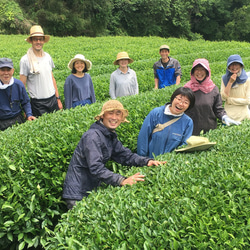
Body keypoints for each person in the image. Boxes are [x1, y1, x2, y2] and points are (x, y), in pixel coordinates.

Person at [62, 100, 166, 210]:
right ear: (103, 116)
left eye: (118, 114)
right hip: (77, 193)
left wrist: (147, 161)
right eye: (110, 113)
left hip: (89, 188)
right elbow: (96, 167)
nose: (114, 117)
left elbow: (125, 156)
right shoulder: (93, 136)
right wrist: (121, 180)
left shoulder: (108, 135)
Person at [184, 58, 240, 136]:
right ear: (193, 72)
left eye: (202, 69)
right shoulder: (186, 89)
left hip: (210, 130)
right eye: (197, 69)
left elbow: (218, 109)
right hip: (191, 131)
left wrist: (224, 117)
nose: (199, 72)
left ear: (207, 72)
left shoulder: (213, 89)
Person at [137, 87, 195, 158]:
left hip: (169, 165)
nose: (180, 104)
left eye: (186, 102)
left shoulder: (188, 122)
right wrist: (143, 160)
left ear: (189, 106)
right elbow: (143, 137)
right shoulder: (156, 113)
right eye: (179, 99)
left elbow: (184, 145)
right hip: (150, 161)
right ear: (173, 98)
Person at [19, 25, 63, 117]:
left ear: (43, 41)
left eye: (40, 39)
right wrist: (26, 109)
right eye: (35, 39)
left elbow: (51, 78)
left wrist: (58, 99)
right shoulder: (25, 60)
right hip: (38, 104)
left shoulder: (47, 57)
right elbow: (22, 86)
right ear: (31, 41)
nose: (38, 42)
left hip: (52, 100)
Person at [0, 58, 36, 131]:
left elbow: (25, 102)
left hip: (18, 119)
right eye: (3, 70)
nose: (6, 73)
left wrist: (29, 114)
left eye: (8, 70)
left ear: (13, 71)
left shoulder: (18, 85)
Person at [221, 54, 250, 121]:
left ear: (241, 66)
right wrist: (230, 82)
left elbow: (248, 101)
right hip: (229, 116)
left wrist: (230, 100)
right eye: (232, 64)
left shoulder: (247, 80)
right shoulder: (224, 79)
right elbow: (223, 98)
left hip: (244, 116)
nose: (234, 67)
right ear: (228, 67)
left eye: (236, 64)